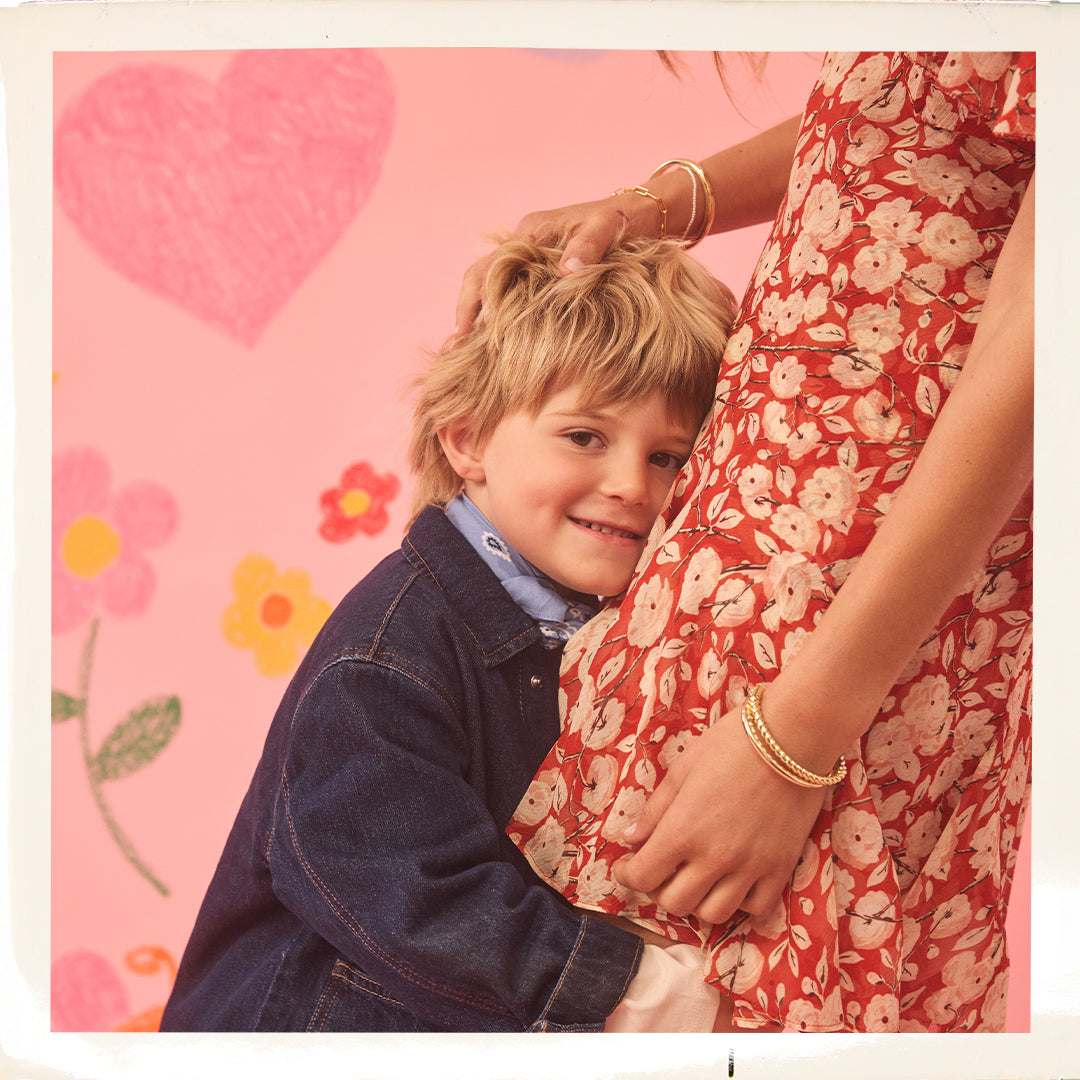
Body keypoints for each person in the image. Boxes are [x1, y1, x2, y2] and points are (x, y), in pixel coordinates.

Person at [457, 52, 1034, 1033]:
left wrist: (793, 739)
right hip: (763, 592)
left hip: (831, 631)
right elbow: (910, 113)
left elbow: (1040, 347)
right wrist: (666, 204)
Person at [159, 233, 738, 1032]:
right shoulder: (388, 660)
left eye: (670, 456)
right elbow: (411, 891)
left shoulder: (609, 625)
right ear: (466, 440)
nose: (632, 485)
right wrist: (634, 992)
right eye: (584, 437)